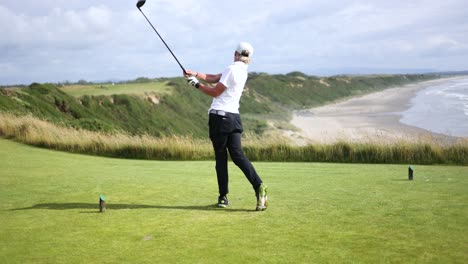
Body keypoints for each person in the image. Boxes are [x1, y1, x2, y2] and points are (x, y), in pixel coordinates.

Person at [184, 42, 268, 211]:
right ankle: (259, 186)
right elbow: (215, 77)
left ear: (235, 54)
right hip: (234, 118)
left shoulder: (232, 69)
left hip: (219, 118)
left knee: (221, 159)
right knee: (238, 156)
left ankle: (223, 197)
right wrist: (195, 74)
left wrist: (195, 84)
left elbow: (215, 91)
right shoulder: (242, 71)